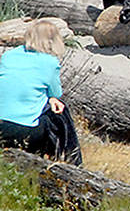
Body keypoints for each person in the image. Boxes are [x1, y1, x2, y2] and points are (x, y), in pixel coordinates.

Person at [0, 20, 79, 162]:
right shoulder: (50, 62)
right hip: (25, 129)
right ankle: (71, 159)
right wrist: (51, 98)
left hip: (1, 124)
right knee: (60, 112)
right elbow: (56, 94)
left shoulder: (8, 56)